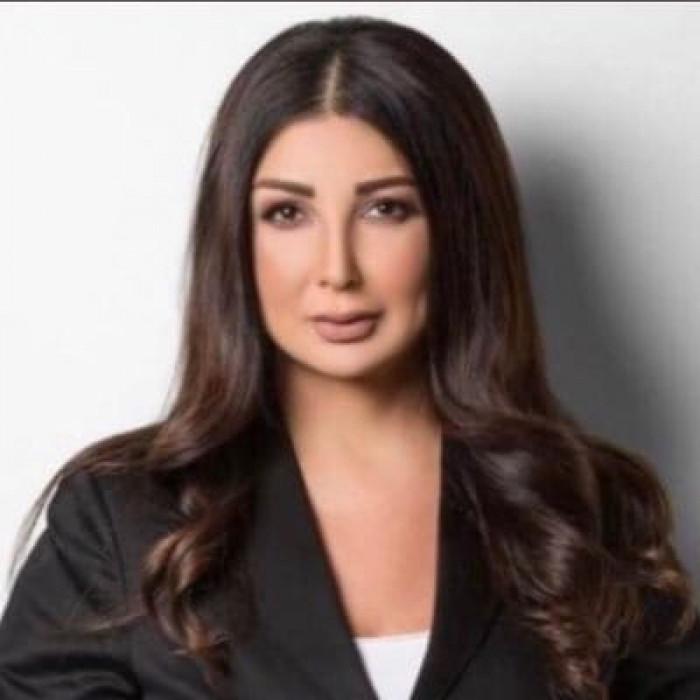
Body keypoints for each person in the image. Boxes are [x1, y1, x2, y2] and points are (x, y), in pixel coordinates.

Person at [0, 14, 699, 700]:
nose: (337, 269)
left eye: (385, 209)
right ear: (236, 238)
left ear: (460, 229)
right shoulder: (121, 519)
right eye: (287, 213)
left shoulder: (589, 511)